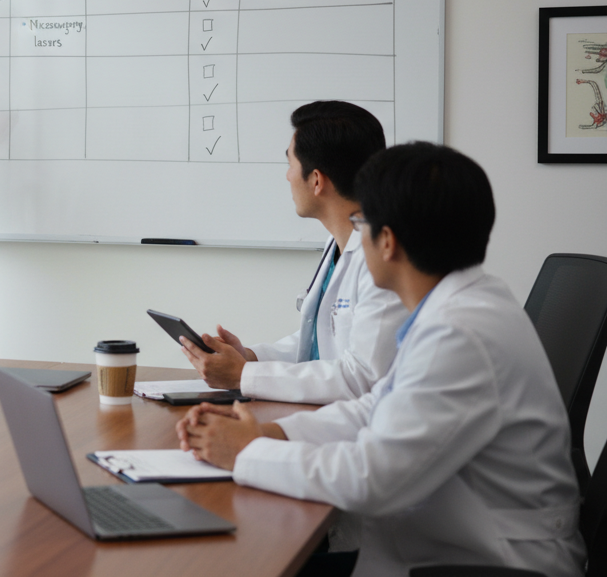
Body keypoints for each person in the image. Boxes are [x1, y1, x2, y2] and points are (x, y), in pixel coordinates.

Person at [178, 142, 585, 577]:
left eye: (360, 222)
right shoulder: (463, 303)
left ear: (387, 241)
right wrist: (270, 433)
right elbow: (377, 408)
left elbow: (370, 480)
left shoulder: (459, 335)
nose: (356, 236)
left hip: (491, 563)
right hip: (448, 546)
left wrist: (247, 453)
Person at [180, 101, 407, 404]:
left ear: (316, 180)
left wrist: (244, 376)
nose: (287, 176)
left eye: (290, 165)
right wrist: (250, 357)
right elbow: (320, 340)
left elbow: (363, 377)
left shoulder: (385, 259)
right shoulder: (339, 243)